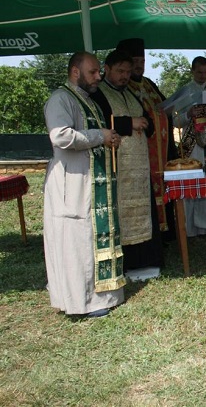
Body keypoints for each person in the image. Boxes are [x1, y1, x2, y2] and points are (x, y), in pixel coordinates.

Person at [43, 52, 125, 317]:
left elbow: (96, 138)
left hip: (91, 183)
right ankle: (80, 302)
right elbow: (61, 136)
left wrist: (109, 138)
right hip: (72, 184)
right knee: (75, 241)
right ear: (75, 72)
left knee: (91, 237)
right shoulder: (60, 99)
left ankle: (102, 296)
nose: (98, 76)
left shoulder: (87, 100)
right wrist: (99, 135)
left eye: (98, 71)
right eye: (92, 72)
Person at [91, 49, 163, 271]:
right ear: (107, 69)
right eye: (120, 71)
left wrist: (144, 123)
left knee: (143, 213)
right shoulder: (97, 94)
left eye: (128, 72)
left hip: (139, 167)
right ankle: (125, 262)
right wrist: (128, 123)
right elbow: (97, 123)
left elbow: (148, 121)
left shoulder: (131, 93)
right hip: (117, 166)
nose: (124, 76)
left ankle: (146, 261)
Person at [116, 38, 178, 241]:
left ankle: (166, 235)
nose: (139, 65)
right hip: (139, 155)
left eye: (142, 60)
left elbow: (164, 107)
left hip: (162, 152)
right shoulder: (122, 88)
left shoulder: (149, 84)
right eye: (134, 60)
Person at [171, 56, 206, 237]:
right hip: (192, 144)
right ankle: (191, 227)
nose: (203, 76)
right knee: (194, 182)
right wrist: (188, 113)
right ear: (192, 71)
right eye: (199, 72)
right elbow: (175, 121)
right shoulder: (185, 92)